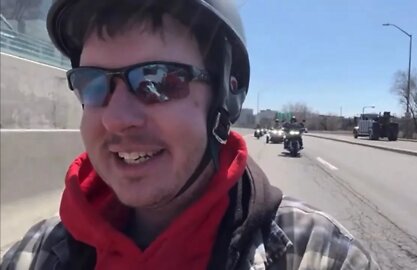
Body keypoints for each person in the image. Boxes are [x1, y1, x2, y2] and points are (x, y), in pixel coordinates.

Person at [1, 0, 380, 269]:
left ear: (225, 98)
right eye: (93, 84)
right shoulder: (34, 255)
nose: (115, 119)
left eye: (157, 81)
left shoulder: (318, 256)